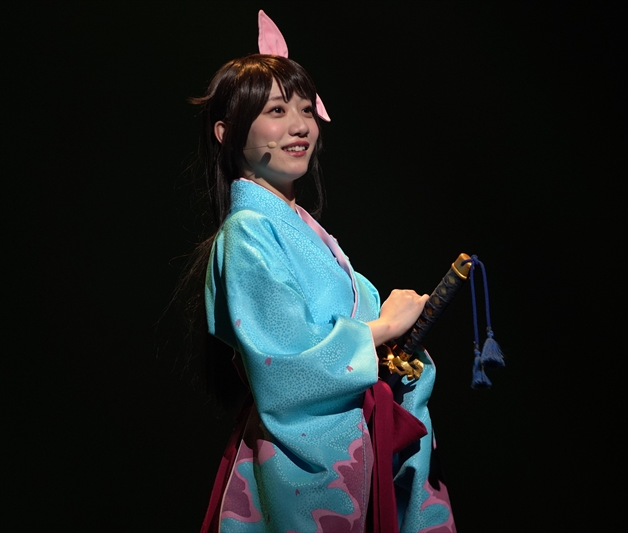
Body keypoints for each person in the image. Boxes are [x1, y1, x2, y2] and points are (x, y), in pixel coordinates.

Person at [187, 11, 456, 533]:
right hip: (307, 463)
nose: (300, 126)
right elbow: (283, 366)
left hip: (354, 443)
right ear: (226, 132)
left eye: (306, 109)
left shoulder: (297, 227)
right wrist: (383, 327)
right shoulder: (247, 232)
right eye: (277, 110)